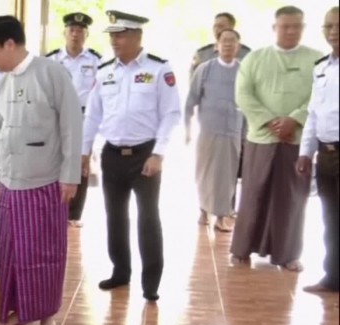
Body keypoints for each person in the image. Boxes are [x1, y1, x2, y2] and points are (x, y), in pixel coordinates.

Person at [0, 15, 81, 325]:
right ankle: (17, 309)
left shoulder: (51, 73)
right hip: (9, 185)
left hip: (45, 183)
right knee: (11, 252)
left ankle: (47, 316)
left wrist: (70, 176)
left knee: (44, 253)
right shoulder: (4, 82)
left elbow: (71, 126)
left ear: (9, 44)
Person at [82, 10, 181, 302]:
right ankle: (120, 271)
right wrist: (84, 152)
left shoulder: (159, 69)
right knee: (115, 216)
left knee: (148, 217)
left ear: (138, 35)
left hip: (145, 154)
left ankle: (151, 282)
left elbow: (171, 114)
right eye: (112, 35)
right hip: (112, 154)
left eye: (121, 35)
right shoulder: (105, 71)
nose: (115, 40)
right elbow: (92, 116)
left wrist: (159, 153)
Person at [231, 5, 322, 272]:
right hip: (261, 137)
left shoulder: (317, 60)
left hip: (297, 139)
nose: (291, 31)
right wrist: (270, 121)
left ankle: (287, 254)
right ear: (274, 28)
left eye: (297, 26)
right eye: (285, 26)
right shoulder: (255, 58)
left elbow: (320, 96)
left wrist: (295, 119)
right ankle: (242, 249)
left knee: (292, 198)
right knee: (253, 194)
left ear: (304, 28)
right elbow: (243, 94)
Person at [46, 12, 102, 227]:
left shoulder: (96, 61)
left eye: (80, 31)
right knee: (55, 160)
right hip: (57, 115)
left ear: (86, 34)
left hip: (84, 116)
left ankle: (74, 213)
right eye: (72, 30)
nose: (75, 34)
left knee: (81, 161)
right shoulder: (52, 59)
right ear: (64, 33)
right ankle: (55, 208)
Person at [185, 29, 244, 233]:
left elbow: (249, 103)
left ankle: (221, 216)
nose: (228, 44)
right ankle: (203, 211)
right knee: (205, 173)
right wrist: (187, 129)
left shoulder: (244, 71)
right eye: (224, 41)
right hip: (208, 131)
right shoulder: (205, 69)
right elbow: (191, 100)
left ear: (238, 46)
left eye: (232, 41)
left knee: (228, 176)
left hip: (233, 131)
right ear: (217, 46)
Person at [297, 6, 339, 294]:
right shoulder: (321, 67)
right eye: (329, 26)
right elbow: (313, 113)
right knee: (331, 219)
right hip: (325, 153)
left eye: (339, 26)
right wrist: (305, 151)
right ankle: (332, 277)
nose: (334, 32)